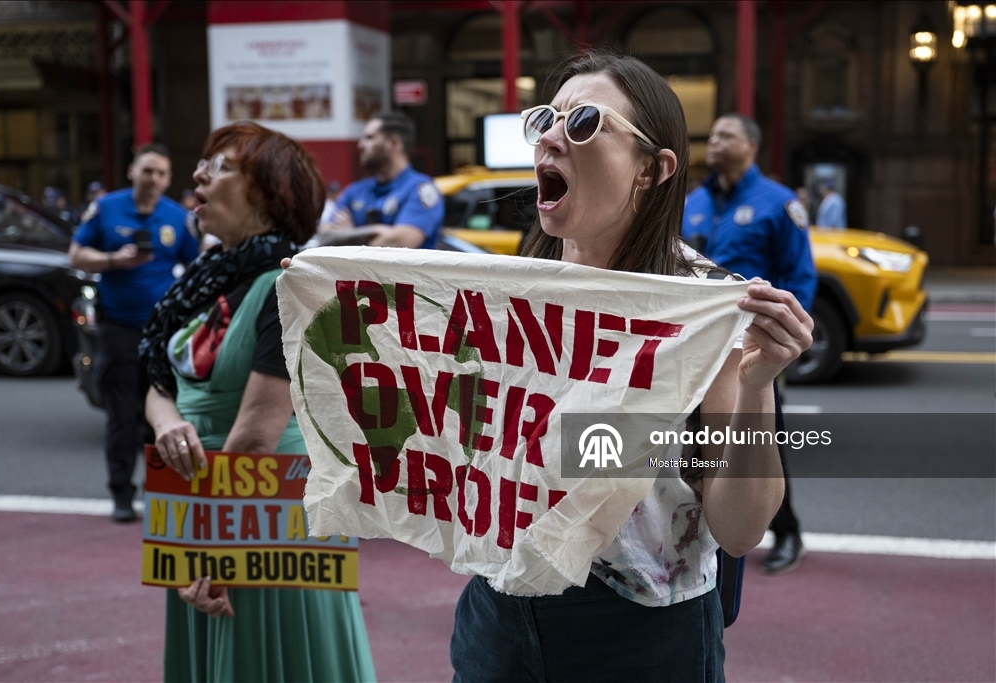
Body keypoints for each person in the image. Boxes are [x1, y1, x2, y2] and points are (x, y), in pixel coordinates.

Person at [445, 52, 812, 681]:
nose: (552, 138)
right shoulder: (512, 288)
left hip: (640, 636)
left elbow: (740, 530)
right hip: (496, 615)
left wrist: (756, 386)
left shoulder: (705, 308)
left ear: (652, 168)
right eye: (546, 120)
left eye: (584, 121)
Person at [140, 121, 376, 683]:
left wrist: (212, 553)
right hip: (204, 504)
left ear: (269, 199)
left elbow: (256, 435)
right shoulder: (206, 283)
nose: (198, 174)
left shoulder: (290, 287)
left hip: (260, 514)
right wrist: (168, 421)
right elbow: (159, 384)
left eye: (221, 167)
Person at [682, 114, 816, 576]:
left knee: (759, 442)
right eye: (712, 134)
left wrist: (784, 341)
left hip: (753, 352)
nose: (714, 141)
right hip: (697, 352)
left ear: (752, 146)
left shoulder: (778, 204)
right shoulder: (693, 201)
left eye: (726, 135)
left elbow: (800, 275)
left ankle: (788, 531)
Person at [69, 143, 198, 522]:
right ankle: (121, 495)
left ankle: (157, 493)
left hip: (162, 333)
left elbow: (196, 267)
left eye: (161, 173)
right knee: (121, 416)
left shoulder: (176, 217)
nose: (153, 179)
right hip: (118, 329)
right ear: (132, 172)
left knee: (160, 418)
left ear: (169, 179)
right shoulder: (107, 208)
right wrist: (113, 260)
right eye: (147, 171)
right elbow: (75, 254)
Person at [318, 111, 443, 248]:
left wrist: (349, 235)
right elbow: (325, 237)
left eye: (369, 138)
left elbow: (401, 243)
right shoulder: (355, 191)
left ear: (394, 143)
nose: (360, 145)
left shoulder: (420, 189)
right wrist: (376, 232)